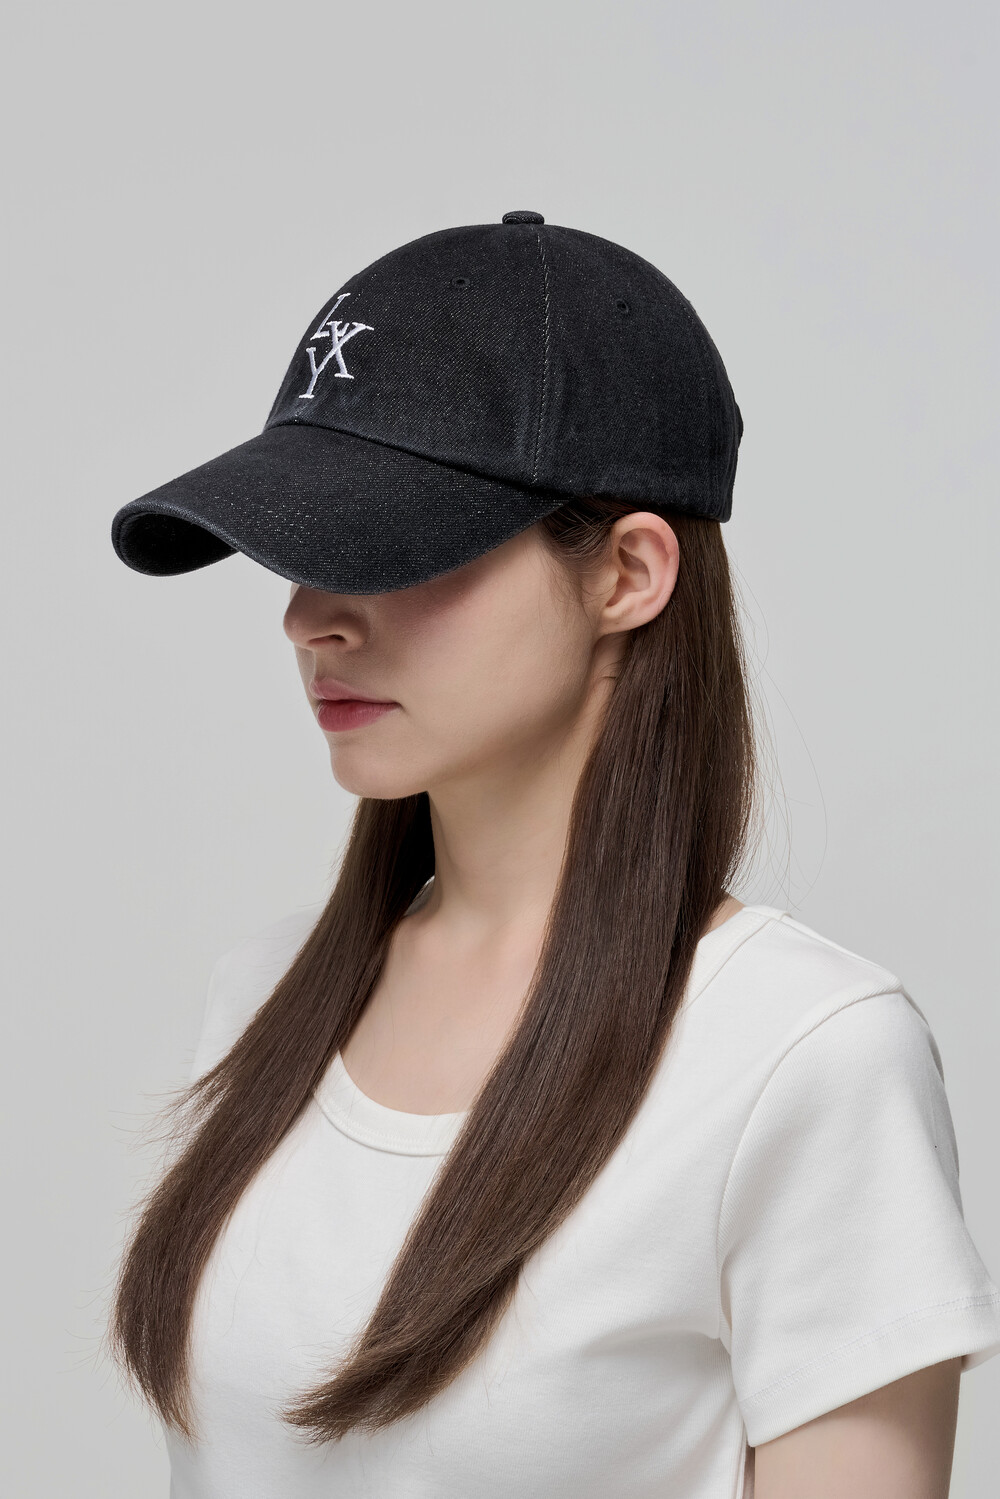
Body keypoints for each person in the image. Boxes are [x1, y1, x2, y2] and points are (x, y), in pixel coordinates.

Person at [106, 212, 1000, 1499]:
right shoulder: (264, 1001)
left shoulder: (801, 1058)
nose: (308, 618)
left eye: (387, 544)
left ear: (628, 572)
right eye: (298, 548)